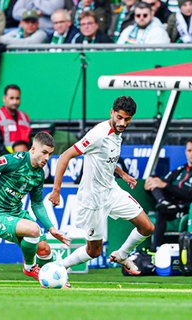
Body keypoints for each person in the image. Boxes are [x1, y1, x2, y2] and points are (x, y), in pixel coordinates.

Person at [49, 96, 155, 276]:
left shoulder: (117, 134)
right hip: (93, 198)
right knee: (94, 251)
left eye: (127, 119)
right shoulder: (98, 134)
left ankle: (122, 255)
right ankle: (59, 266)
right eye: (119, 117)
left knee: (147, 227)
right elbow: (64, 156)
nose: (122, 123)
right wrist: (56, 190)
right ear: (112, 113)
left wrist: (122, 174)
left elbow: (107, 159)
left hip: (111, 190)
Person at [0, 132, 70, 282]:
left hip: (16, 213)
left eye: (50, 154)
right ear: (33, 149)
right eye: (44, 152)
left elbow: (37, 204)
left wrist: (52, 228)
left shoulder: (39, 174)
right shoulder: (14, 160)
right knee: (33, 230)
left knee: (45, 250)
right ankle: (29, 268)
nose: (47, 158)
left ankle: (49, 280)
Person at [144, 137, 192, 252]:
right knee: (154, 181)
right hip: (170, 205)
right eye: (189, 151)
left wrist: (165, 186)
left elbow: (190, 195)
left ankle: (154, 250)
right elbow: (162, 183)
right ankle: (162, 201)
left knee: (161, 211)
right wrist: (149, 186)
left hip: (187, 207)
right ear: (185, 152)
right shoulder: (180, 170)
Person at [0, 84, 31, 158]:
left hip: (22, 164)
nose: (15, 101)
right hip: (1, 165)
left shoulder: (24, 117)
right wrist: (12, 160)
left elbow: (29, 142)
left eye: (17, 98)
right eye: (11, 98)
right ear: (4, 98)